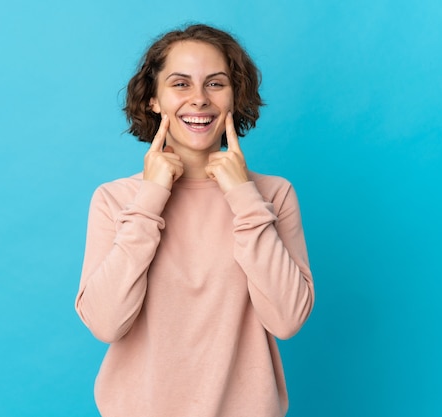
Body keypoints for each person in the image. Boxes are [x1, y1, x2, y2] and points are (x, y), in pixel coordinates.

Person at [75, 23, 314, 417]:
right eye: (181, 84)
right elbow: (105, 324)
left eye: (216, 84)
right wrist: (150, 198)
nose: (199, 99)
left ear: (235, 96)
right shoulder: (115, 200)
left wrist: (243, 197)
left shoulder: (273, 195)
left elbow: (287, 320)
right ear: (154, 99)